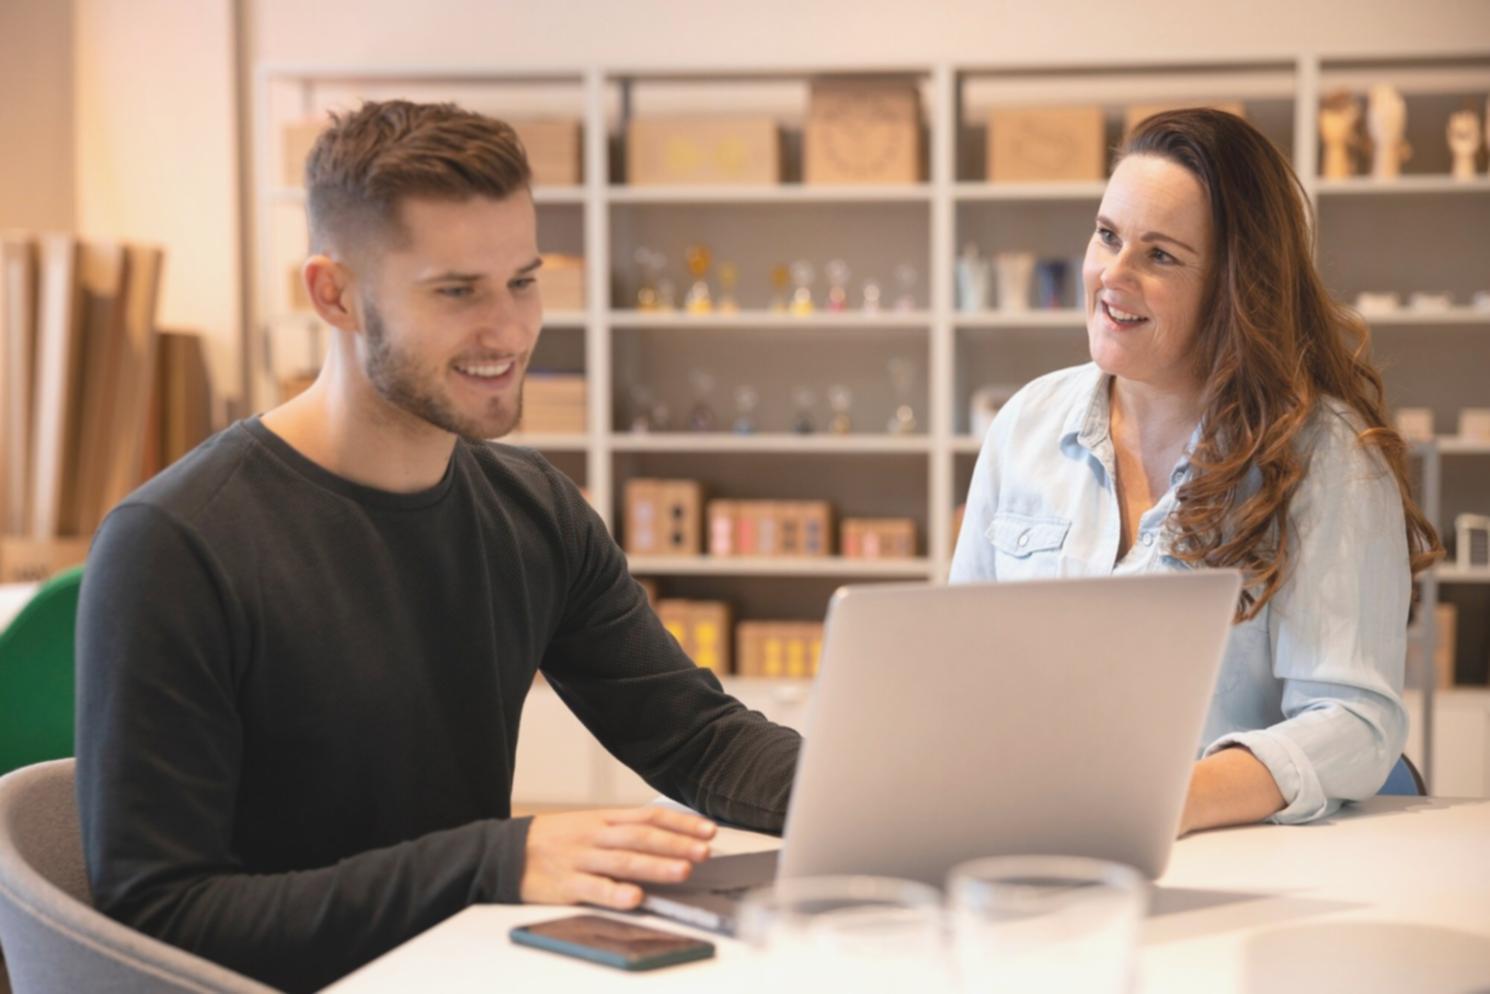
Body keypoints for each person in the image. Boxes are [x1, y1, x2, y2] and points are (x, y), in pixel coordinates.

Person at [75, 100, 800, 993]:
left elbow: (699, 743)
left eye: (524, 281)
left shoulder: (535, 510)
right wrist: (492, 864)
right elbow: (160, 915)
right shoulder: (176, 545)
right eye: (458, 292)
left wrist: (888, 798)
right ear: (334, 294)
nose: (509, 331)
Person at [950, 108, 1441, 834]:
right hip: (1033, 842)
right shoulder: (1025, 425)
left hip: (1236, 864)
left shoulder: (1323, 455)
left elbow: (1354, 719)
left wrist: (1169, 801)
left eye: (1161, 256)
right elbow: (960, 668)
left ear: (1237, 288)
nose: (1112, 276)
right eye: (1107, 235)